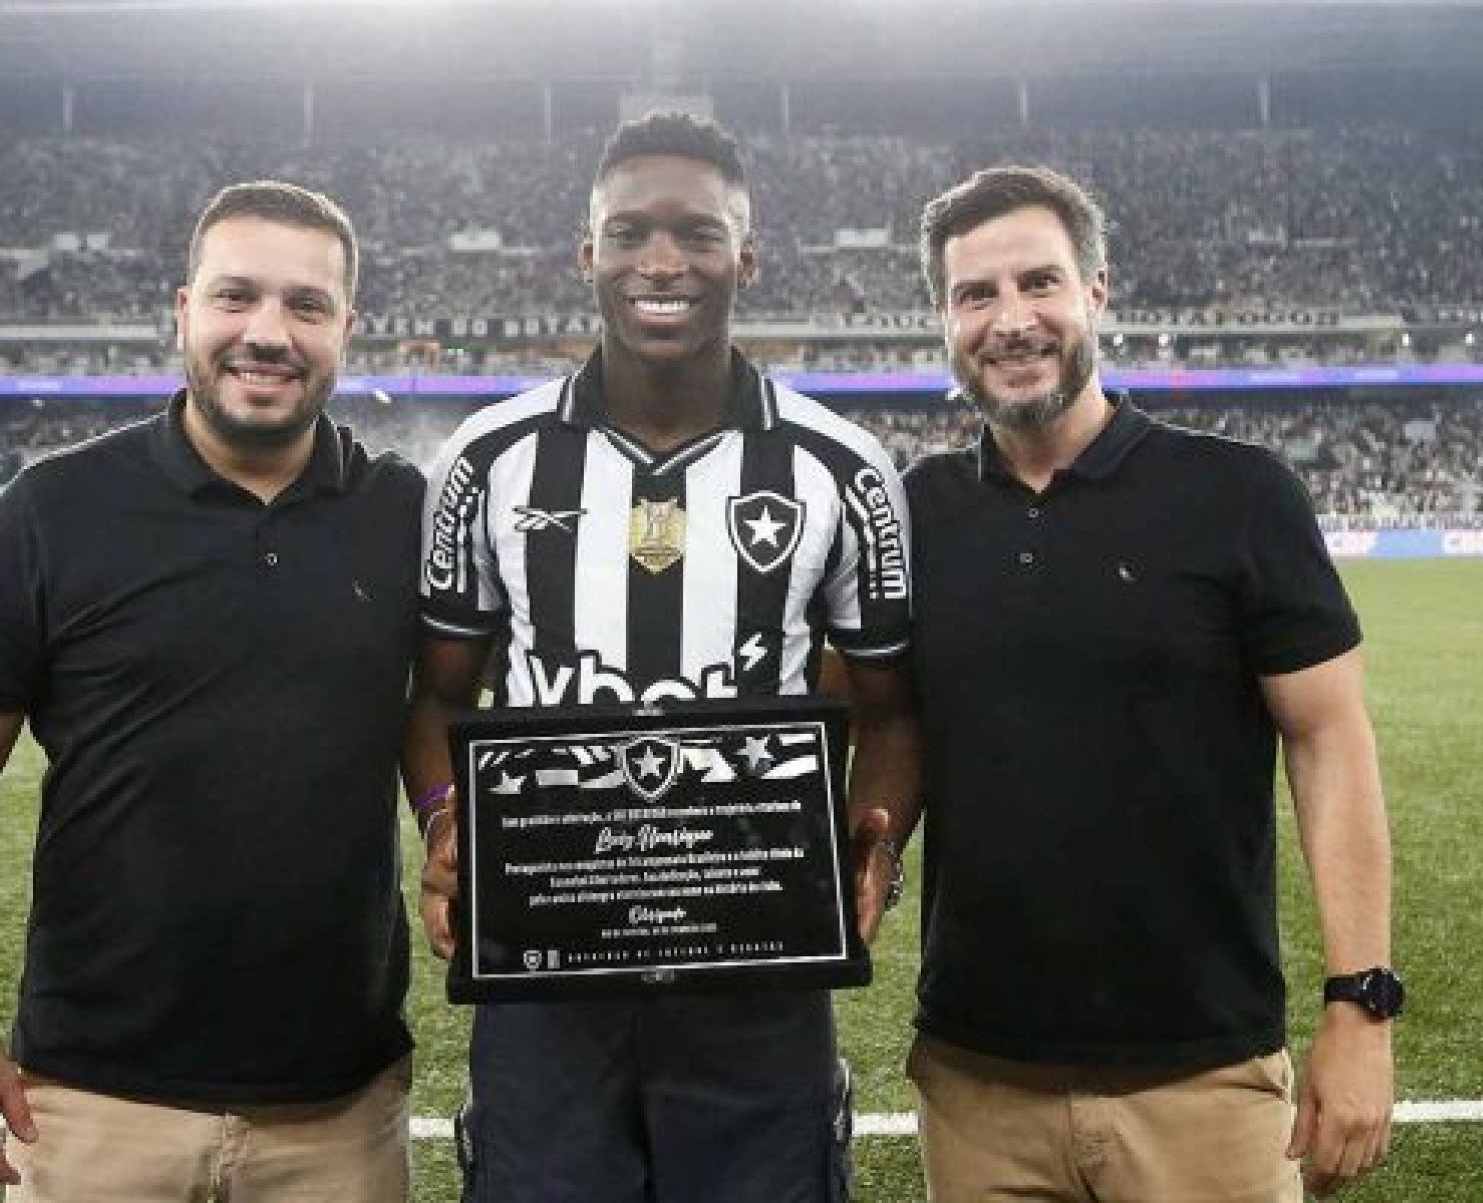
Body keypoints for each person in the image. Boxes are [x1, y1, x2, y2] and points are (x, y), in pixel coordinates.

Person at [403, 111, 920, 1202]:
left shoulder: (841, 467)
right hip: (545, 963)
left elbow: (891, 707)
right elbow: (438, 693)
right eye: (631, 232)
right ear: (586, 253)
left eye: (697, 233)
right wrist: (448, 817)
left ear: (747, 257)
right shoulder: (488, 458)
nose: (662, 261)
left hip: (758, 960)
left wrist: (873, 843)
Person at [0, 180, 425, 1200]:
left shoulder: (400, 511)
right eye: (236, 296)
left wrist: (448, 819)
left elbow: (434, 717)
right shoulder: (55, 507)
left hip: (337, 1107)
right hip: (91, 1098)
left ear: (346, 330)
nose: (267, 331)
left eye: (305, 305)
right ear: (184, 310)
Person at [898, 164, 1399, 1202]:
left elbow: (1330, 741)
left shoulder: (1240, 496)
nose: (1010, 319)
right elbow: (884, 726)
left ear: (1097, 290)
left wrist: (1361, 1006)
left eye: (1039, 282)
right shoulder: (911, 514)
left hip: (1205, 1080)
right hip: (977, 1086)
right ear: (943, 317)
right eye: (975, 293)